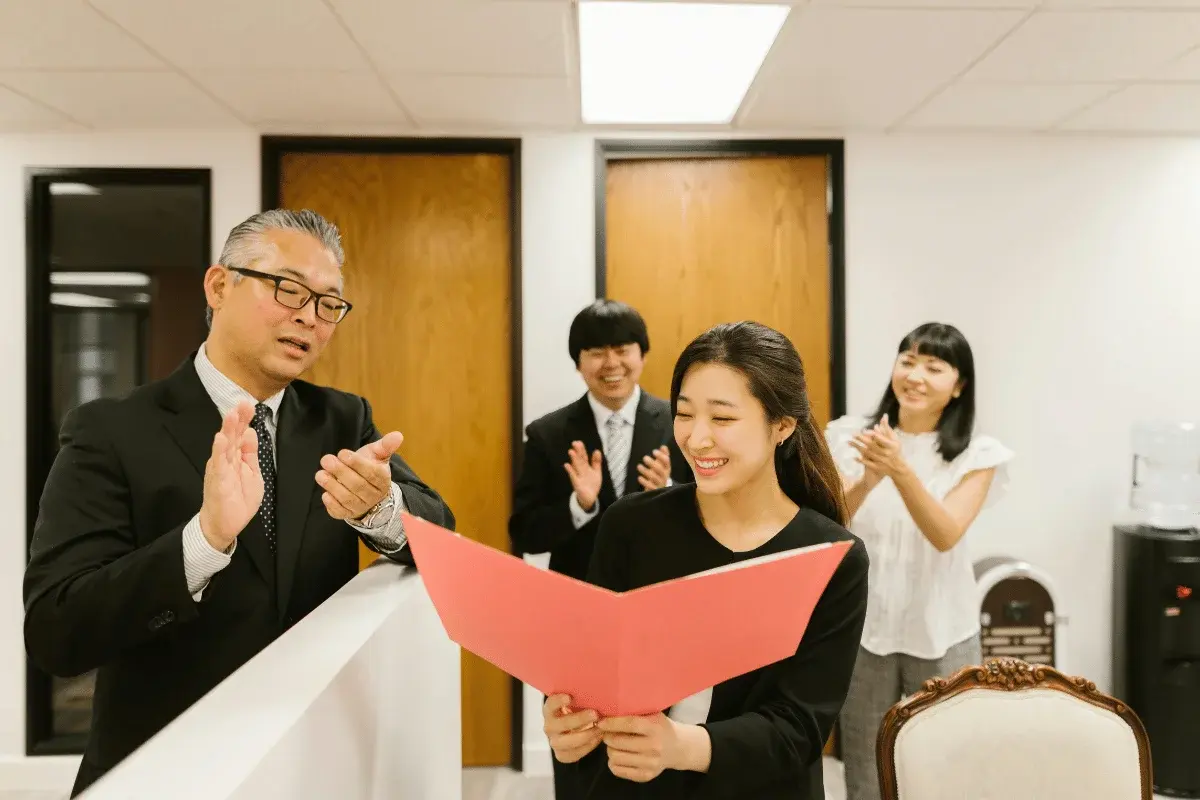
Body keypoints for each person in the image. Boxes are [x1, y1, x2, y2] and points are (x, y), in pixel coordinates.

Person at [23, 209, 455, 796]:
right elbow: (57, 629)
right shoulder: (110, 430)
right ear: (219, 286)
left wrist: (379, 510)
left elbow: (441, 533)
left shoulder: (341, 419)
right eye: (287, 289)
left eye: (330, 304)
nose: (310, 316)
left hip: (308, 765)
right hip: (165, 769)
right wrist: (203, 542)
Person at [542, 321, 869, 799]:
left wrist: (679, 747)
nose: (695, 440)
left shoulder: (831, 556)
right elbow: (592, 669)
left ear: (782, 425)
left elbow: (799, 727)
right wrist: (566, 720)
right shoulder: (630, 525)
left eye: (721, 419)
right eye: (684, 414)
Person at [824, 321, 1013, 800]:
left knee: (943, 764)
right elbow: (828, 527)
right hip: (866, 627)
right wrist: (867, 478)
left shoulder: (978, 454)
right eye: (907, 361)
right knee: (866, 766)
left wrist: (899, 470)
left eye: (934, 366)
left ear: (958, 386)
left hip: (942, 629)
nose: (916, 375)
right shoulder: (848, 436)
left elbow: (945, 533)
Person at [509, 298, 693, 583]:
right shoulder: (546, 434)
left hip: (661, 587)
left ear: (642, 355)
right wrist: (578, 505)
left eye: (622, 351)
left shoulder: (682, 422)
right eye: (597, 352)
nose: (611, 364)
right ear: (577, 363)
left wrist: (668, 491)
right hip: (580, 595)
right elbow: (524, 535)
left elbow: (716, 512)